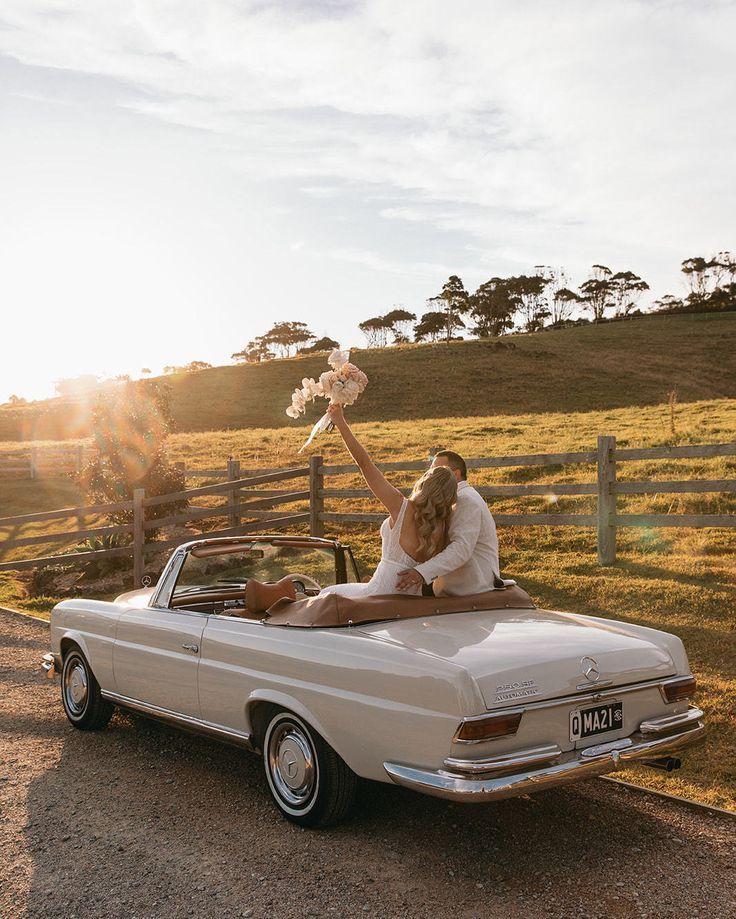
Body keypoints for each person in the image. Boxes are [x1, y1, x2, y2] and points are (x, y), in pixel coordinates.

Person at [317, 404, 458, 597]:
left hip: (377, 595)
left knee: (325, 593)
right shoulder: (443, 529)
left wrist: (341, 422)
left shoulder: (401, 507)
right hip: (409, 604)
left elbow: (364, 464)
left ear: (424, 482)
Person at [396, 450, 500, 596]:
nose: (431, 476)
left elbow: (461, 548)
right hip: (452, 583)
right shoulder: (455, 499)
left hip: (468, 587)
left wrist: (421, 572)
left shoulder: (465, 499)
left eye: (438, 471)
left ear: (455, 474)